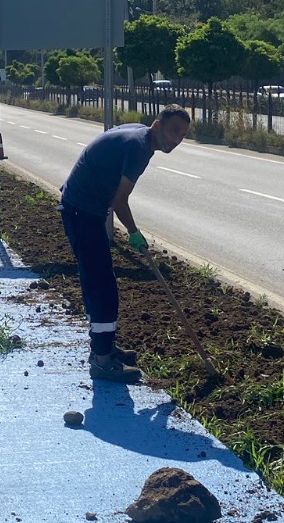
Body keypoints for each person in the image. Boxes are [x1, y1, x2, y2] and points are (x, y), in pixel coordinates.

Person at [59, 106, 191, 382]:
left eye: (182, 135)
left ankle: (104, 347)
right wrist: (133, 232)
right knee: (102, 288)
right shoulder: (139, 149)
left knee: (102, 283)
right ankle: (102, 361)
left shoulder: (139, 135)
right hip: (82, 211)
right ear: (158, 125)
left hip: (82, 207)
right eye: (174, 131)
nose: (177, 139)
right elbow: (120, 200)